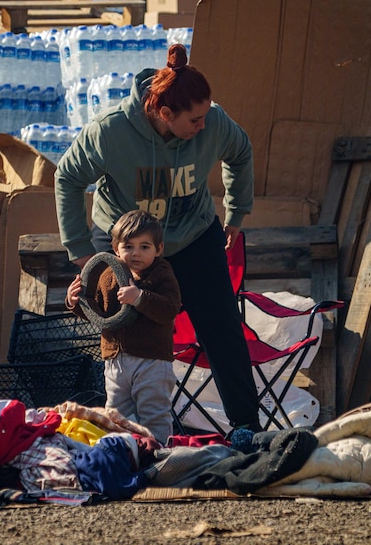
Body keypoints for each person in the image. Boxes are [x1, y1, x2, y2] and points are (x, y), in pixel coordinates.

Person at [54, 43, 263, 436]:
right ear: (165, 114)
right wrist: (80, 249)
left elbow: (240, 150)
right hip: (125, 239)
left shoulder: (214, 122)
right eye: (194, 120)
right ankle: (126, 431)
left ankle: (246, 426)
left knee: (221, 326)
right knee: (124, 330)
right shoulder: (110, 131)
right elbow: (67, 177)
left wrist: (236, 211)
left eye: (205, 116)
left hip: (194, 233)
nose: (204, 125)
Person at [65, 210, 182, 442]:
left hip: (152, 360)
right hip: (115, 361)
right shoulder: (108, 274)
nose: (136, 253)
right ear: (116, 248)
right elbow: (97, 311)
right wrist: (74, 301)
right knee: (117, 416)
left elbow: (169, 309)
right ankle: (124, 454)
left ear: (158, 249)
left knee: (153, 414)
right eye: (129, 246)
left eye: (144, 247)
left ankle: (159, 457)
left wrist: (139, 297)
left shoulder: (161, 274)